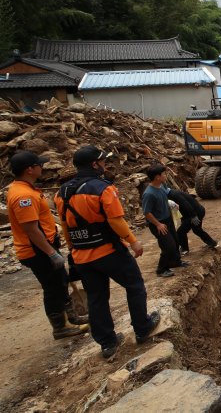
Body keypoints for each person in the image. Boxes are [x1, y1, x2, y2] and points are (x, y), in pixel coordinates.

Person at [55, 145, 160, 359]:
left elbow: (65, 225)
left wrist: (73, 247)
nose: (105, 164)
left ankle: (107, 343)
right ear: (94, 164)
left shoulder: (62, 192)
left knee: (96, 298)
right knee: (135, 286)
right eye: (102, 161)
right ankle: (142, 327)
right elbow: (115, 220)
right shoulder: (103, 188)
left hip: (82, 256)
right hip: (108, 251)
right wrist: (133, 242)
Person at [7, 151, 88, 339]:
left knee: (60, 282)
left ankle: (72, 317)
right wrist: (51, 253)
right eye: (39, 165)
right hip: (37, 251)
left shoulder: (27, 189)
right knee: (52, 288)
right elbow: (31, 229)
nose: (42, 168)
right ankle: (60, 327)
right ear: (29, 169)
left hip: (43, 247)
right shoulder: (23, 196)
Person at [141, 164, 187, 277]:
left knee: (176, 241)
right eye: (164, 174)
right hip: (158, 223)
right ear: (157, 177)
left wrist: (171, 204)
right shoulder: (149, 194)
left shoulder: (161, 186)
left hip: (167, 218)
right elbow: (147, 212)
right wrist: (158, 224)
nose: (166, 175)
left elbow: (165, 196)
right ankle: (161, 269)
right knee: (168, 246)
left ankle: (176, 262)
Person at [165, 186, 221, 255]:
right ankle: (213, 244)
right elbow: (181, 208)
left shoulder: (173, 195)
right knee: (197, 230)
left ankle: (185, 249)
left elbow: (185, 204)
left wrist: (193, 216)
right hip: (194, 213)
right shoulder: (172, 193)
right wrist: (183, 219)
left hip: (195, 213)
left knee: (181, 231)